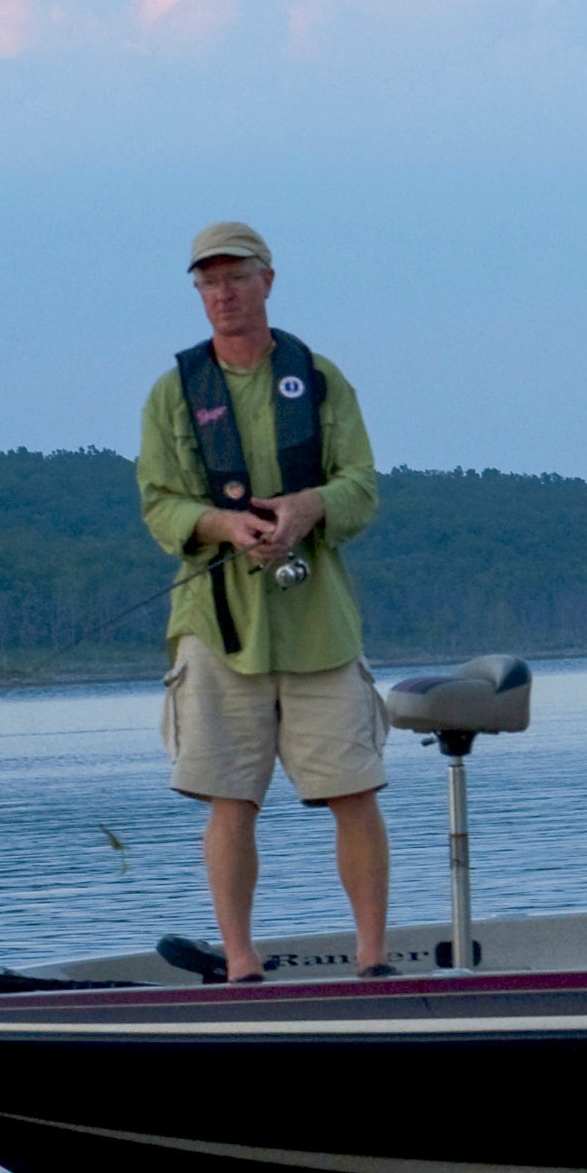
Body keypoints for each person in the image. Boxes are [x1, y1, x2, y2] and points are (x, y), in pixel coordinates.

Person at [136, 221, 392, 981]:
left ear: (268, 281)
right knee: (229, 798)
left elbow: (362, 489)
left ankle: (374, 960)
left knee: (356, 789)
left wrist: (307, 507)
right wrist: (224, 523)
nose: (223, 293)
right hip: (217, 629)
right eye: (209, 282)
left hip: (318, 625)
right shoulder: (173, 391)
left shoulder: (318, 378)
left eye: (236, 278)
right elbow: (160, 507)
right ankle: (241, 963)